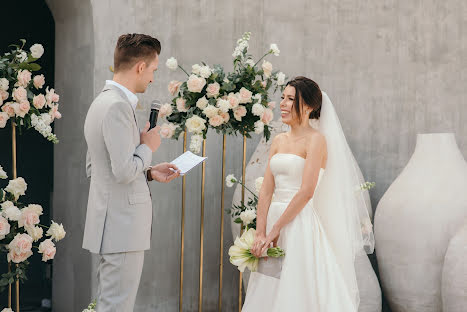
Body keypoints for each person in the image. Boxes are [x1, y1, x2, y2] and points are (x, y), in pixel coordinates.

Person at [242, 76, 374, 311]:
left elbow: (306, 192)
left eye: (291, 99)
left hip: (298, 223)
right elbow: (266, 190)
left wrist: (276, 229)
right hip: (273, 219)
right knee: (267, 288)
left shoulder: (316, 141)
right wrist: (261, 232)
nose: (283, 103)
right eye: (282, 97)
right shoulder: (279, 140)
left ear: (310, 106)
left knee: (298, 290)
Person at [82, 33, 180, 312]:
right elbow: (123, 172)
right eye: (153, 70)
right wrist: (147, 146)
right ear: (140, 67)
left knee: (110, 304)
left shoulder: (101, 102)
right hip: (122, 225)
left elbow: (96, 167)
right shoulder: (117, 107)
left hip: (111, 224)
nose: (152, 78)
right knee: (116, 307)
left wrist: (147, 172)